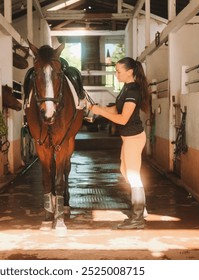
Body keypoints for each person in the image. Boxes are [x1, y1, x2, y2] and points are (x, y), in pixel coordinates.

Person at [88, 57, 150, 229]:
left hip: (133, 137)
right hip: (128, 138)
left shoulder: (134, 91)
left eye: (118, 71)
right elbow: (117, 109)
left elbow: (122, 119)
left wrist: (100, 111)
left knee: (133, 175)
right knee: (125, 171)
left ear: (130, 71)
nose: (116, 74)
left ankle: (138, 217)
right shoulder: (126, 89)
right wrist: (96, 108)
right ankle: (141, 209)